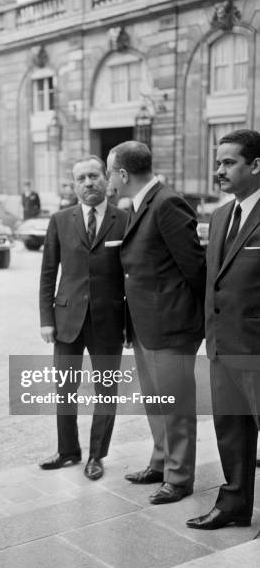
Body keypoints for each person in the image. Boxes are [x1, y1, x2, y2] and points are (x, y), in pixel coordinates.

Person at [106, 141, 205, 504]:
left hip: (172, 325)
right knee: (156, 400)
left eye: (108, 171)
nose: (106, 180)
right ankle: (161, 462)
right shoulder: (138, 204)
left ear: (123, 173)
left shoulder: (167, 203)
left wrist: (190, 319)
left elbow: (195, 266)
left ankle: (180, 478)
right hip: (145, 324)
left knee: (176, 404)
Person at [187, 129, 260, 530]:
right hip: (222, 348)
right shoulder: (218, 216)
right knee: (230, 430)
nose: (219, 170)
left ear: (256, 165)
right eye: (218, 163)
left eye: (229, 162)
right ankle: (233, 504)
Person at [38, 156, 127, 480]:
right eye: (81, 179)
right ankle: (68, 451)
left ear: (105, 179)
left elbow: (131, 276)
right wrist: (46, 318)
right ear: (74, 185)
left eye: (93, 176)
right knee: (65, 389)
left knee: (106, 390)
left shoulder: (125, 219)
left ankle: (97, 456)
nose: (88, 183)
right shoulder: (60, 220)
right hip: (66, 321)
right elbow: (48, 272)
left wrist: (129, 325)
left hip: (109, 321)